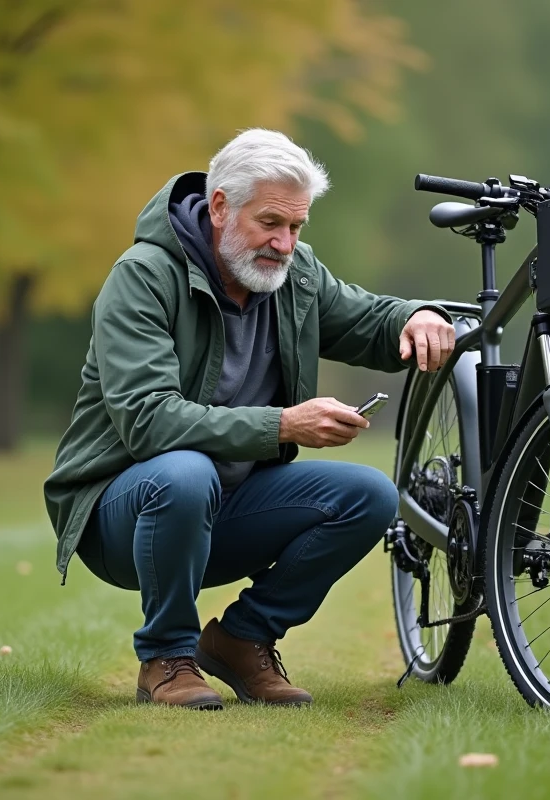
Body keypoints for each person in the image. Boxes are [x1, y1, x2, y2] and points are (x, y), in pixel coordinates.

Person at [43, 129, 455, 710]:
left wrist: (417, 317)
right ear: (219, 207)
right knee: (185, 473)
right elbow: (148, 421)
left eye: (296, 228)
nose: (285, 244)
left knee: (370, 494)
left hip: (226, 506)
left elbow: (369, 321)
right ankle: (166, 658)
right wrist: (283, 425)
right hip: (120, 514)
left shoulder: (296, 276)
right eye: (270, 223)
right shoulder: (141, 277)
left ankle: (242, 640)